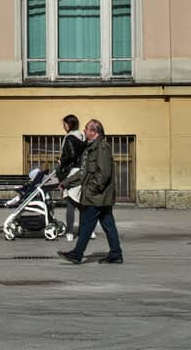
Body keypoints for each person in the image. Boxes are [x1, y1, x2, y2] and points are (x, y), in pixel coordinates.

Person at [58, 119, 123, 266]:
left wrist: (92, 189)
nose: (84, 131)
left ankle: (77, 254)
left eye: (87, 129)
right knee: (108, 225)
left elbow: (104, 174)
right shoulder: (91, 147)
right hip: (100, 196)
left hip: (97, 196)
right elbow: (83, 172)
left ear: (94, 131)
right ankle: (116, 254)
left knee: (86, 224)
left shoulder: (102, 147)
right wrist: (66, 183)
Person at [55, 113, 85, 238]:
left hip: (72, 171)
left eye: (64, 124)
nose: (64, 127)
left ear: (69, 125)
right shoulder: (82, 137)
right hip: (82, 171)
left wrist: (61, 161)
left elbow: (71, 155)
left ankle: (69, 232)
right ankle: (88, 231)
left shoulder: (69, 138)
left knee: (71, 203)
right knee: (81, 203)